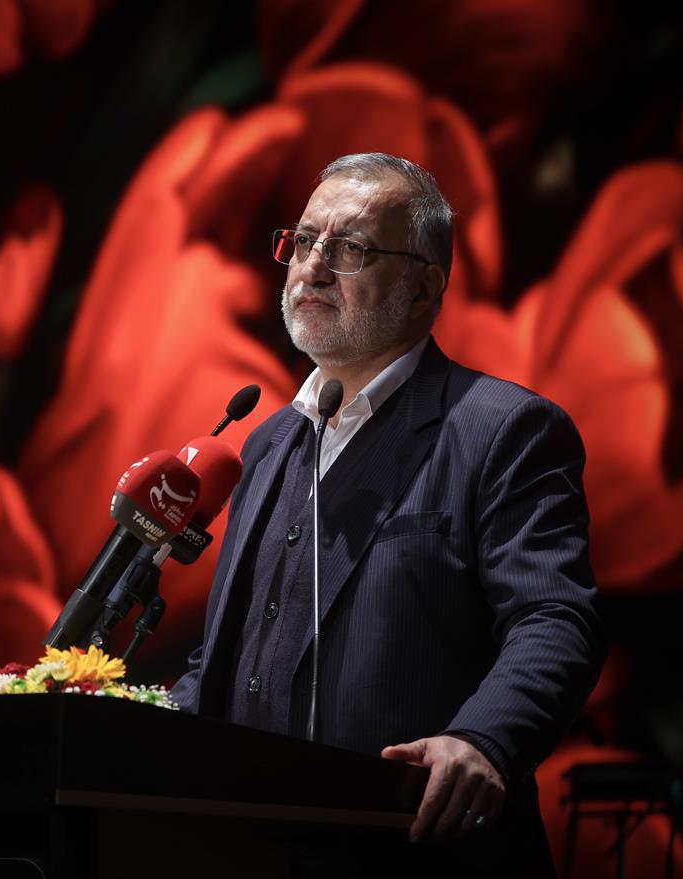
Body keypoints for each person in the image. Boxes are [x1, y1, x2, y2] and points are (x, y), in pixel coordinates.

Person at [170, 152, 605, 876]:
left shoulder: (501, 429)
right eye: (302, 241)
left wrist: (484, 740)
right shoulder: (270, 442)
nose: (312, 267)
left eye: (349, 248)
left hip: (421, 848)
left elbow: (555, 617)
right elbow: (228, 657)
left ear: (423, 288)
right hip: (249, 851)